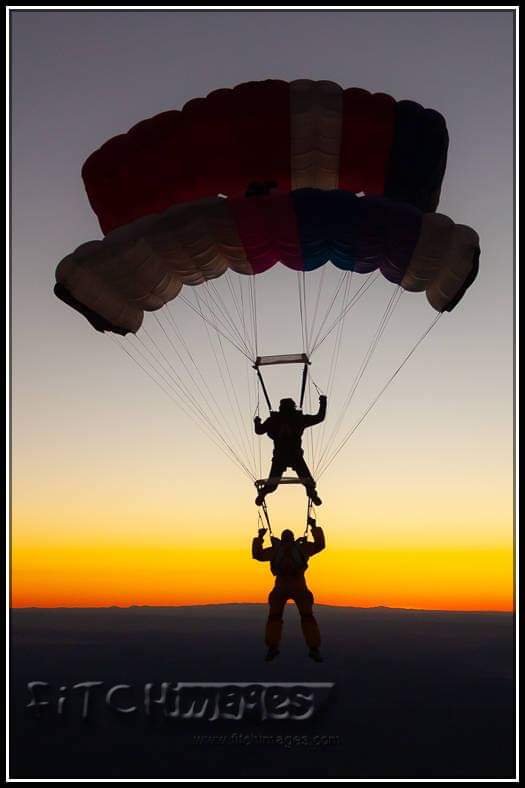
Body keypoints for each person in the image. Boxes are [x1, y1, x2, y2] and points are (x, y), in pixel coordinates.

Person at [252, 517, 325, 662]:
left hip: (281, 587)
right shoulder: (302, 548)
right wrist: (314, 527)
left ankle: (273, 647)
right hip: (299, 586)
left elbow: (257, 555)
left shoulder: (276, 550)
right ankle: (314, 648)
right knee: (307, 617)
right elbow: (320, 545)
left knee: (275, 617)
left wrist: (259, 538)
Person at [254, 395, 327, 506]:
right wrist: (323, 402)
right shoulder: (299, 419)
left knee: (272, 485)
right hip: (295, 456)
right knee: (308, 482)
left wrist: (257, 422)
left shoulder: (274, 420)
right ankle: (312, 493)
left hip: (280, 456)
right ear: (293, 407)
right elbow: (320, 417)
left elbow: (259, 431)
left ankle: (263, 493)